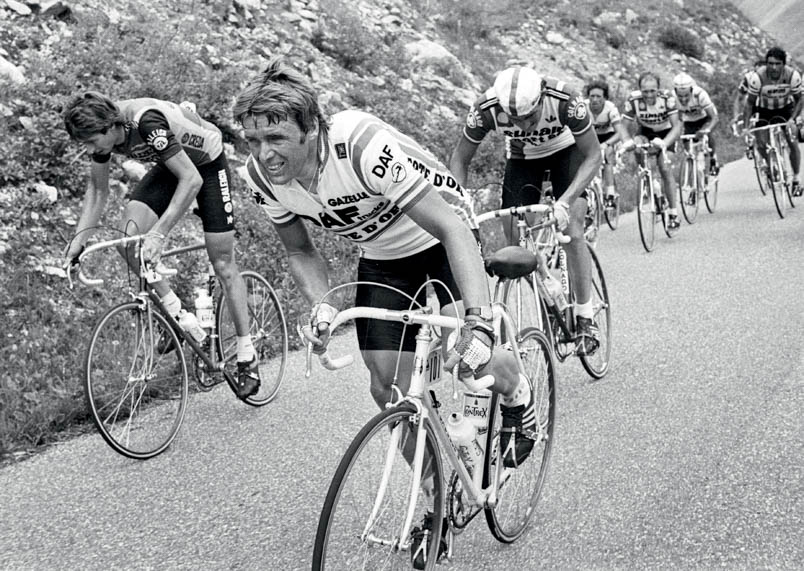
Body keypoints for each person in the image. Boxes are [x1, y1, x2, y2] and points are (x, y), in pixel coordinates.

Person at [234, 58, 539, 565]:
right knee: (387, 387)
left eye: (277, 139)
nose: (264, 155)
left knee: (471, 355)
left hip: (441, 234)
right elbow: (300, 251)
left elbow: (451, 228)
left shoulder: (359, 145)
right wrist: (324, 306)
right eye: (252, 141)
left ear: (312, 128)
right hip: (381, 254)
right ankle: (439, 496)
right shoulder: (261, 179)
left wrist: (479, 321)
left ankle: (517, 391)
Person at [62, 93, 262, 399]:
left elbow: (192, 180)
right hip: (173, 163)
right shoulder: (105, 137)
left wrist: (158, 234)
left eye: (90, 142)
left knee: (222, 262)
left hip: (206, 165)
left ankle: (247, 355)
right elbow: (97, 191)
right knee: (129, 237)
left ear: (109, 126)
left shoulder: (146, 122)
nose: (90, 150)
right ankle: (179, 316)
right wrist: (78, 241)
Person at [449, 66, 602, 356]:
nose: (523, 126)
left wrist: (565, 202)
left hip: (567, 152)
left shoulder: (566, 100)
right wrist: (459, 207)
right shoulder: (486, 109)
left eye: (529, 118)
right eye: (515, 120)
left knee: (572, 231)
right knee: (514, 245)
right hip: (523, 158)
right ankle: (546, 279)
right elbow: (460, 159)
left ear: (542, 97)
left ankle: (585, 317)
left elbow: (594, 155)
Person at [620, 72, 683, 230]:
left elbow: (677, 127)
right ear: (640, 89)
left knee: (664, 168)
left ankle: (673, 214)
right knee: (638, 148)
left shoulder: (667, 98)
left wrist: (664, 143)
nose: (648, 95)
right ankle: (652, 188)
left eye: (652, 91)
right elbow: (622, 126)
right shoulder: (633, 100)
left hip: (666, 133)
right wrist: (627, 141)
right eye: (645, 91)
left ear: (658, 89)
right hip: (646, 132)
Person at [742, 46, 804, 196]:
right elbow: (749, 103)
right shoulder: (757, 78)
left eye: (777, 64)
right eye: (770, 63)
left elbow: (800, 99)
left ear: (783, 64)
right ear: (766, 63)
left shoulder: (792, 76)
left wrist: (792, 119)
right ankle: (771, 166)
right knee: (761, 144)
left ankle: (796, 178)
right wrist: (746, 128)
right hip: (763, 110)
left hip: (785, 109)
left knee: (792, 140)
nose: (773, 67)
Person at [585, 78, 630, 209]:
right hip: (591, 136)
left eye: (598, 96)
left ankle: (610, 194)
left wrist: (606, 144)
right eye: (592, 96)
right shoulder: (582, 107)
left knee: (607, 155)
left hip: (608, 136)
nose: (594, 100)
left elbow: (619, 133)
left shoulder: (611, 109)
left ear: (604, 98)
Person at [672, 72, 720, 175]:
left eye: (686, 95)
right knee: (689, 151)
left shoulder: (700, 95)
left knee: (706, 134)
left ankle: (712, 157)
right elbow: (678, 119)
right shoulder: (672, 98)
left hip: (705, 118)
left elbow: (714, 118)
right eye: (680, 96)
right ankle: (693, 174)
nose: (683, 99)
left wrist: (707, 130)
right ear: (675, 92)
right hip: (689, 121)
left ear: (691, 90)